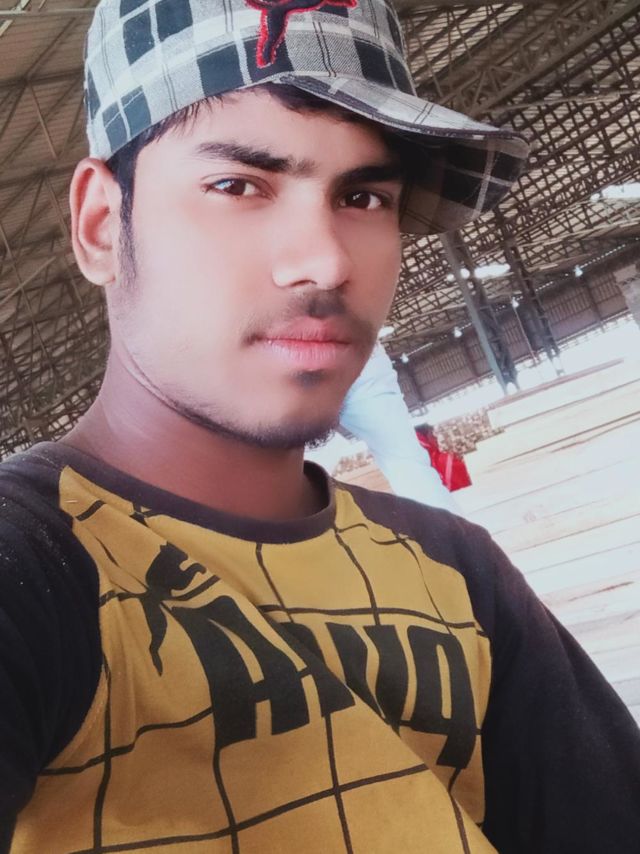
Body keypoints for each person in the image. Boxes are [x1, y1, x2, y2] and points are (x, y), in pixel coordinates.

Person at [0, 0, 638, 852]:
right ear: (100, 226)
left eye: (364, 196)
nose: (328, 261)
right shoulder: (38, 567)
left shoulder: (457, 572)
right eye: (238, 186)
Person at [308, 342, 462, 513]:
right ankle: (448, 529)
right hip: (359, 353)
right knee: (405, 463)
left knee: (295, 472)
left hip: (302, 364)